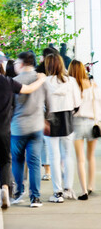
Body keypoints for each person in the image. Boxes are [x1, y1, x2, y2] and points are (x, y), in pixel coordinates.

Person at [0, 53, 46, 212]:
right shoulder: (8, 81)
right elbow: (27, 89)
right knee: (5, 161)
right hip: (5, 130)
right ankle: (5, 188)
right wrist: (41, 79)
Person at [10, 52, 50, 208]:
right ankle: (35, 198)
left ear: (20, 64)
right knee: (34, 162)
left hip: (17, 127)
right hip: (36, 126)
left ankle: (19, 193)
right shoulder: (42, 80)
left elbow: (10, 107)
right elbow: (49, 103)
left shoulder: (14, 81)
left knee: (17, 161)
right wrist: (46, 119)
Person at [45, 53, 81, 202]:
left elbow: (41, 104)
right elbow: (77, 103)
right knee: (67, 154)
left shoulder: (44, 82)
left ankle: (57, 192)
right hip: (67, 118)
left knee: (54, 156)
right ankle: (68, 189)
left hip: (49, 119)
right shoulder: (71, 81)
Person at [68, 60, 99, 200]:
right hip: (93, 123)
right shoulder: (93, 85)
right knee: (90, 157)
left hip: (77, 123)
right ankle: (91, 186)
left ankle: (84, 190)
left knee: (80, 159)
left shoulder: (71, 86)